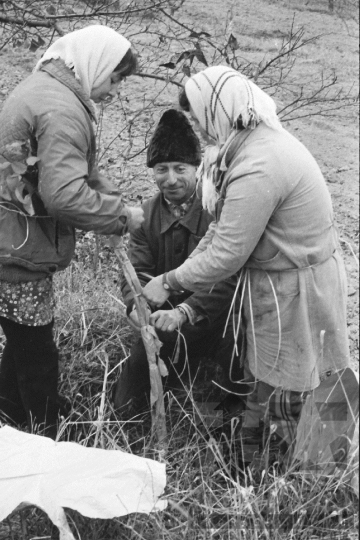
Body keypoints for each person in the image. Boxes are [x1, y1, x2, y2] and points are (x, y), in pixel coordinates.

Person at [142, 67, 350, 463]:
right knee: (289, 374)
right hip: (284, 280)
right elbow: (220, 230)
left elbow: (228, 253)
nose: (202, 132)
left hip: (299, 284)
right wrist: (182, 275)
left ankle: (318, 471)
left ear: (219, 110)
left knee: (309, 375)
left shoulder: (260, 163)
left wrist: (169, 282)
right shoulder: (249, 147)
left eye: (202, 120)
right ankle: (281, 463)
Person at [0, 25, 144, 440]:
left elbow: (75, 168)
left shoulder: (48, 85)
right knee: (38, 354)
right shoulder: (63, 109)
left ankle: (4, 419)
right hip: (13, 249)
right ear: (96, 65)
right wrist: (121, 217)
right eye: (115, 78)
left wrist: (111, 199)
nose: (114, 91)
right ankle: (44, 439)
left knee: (23, 337)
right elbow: (64, 196)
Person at [113, 109, 249, 420]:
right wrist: (137, 307)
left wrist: (185, 312)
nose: (171, 179)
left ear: (198, 167)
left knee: (235, 384)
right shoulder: (143, 216)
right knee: (126, 404)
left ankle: (231, 426)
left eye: (180, 168)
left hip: (217, 322)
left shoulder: (217, 209)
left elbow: (229, 276)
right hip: (163, 324)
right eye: (162, 169)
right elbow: (134, 274)